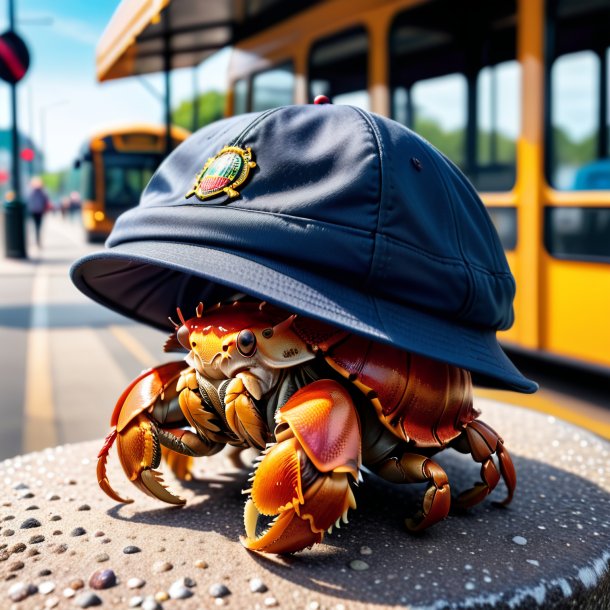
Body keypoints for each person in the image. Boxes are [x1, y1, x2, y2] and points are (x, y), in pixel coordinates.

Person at [26, 177, 50, 247]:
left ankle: (37, 240)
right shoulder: (40, 192)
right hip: (36, 211)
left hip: (36, 211)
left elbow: (46, 201)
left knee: (36, 226)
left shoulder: (33, 192)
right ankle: (37, 240)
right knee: (37, 226)